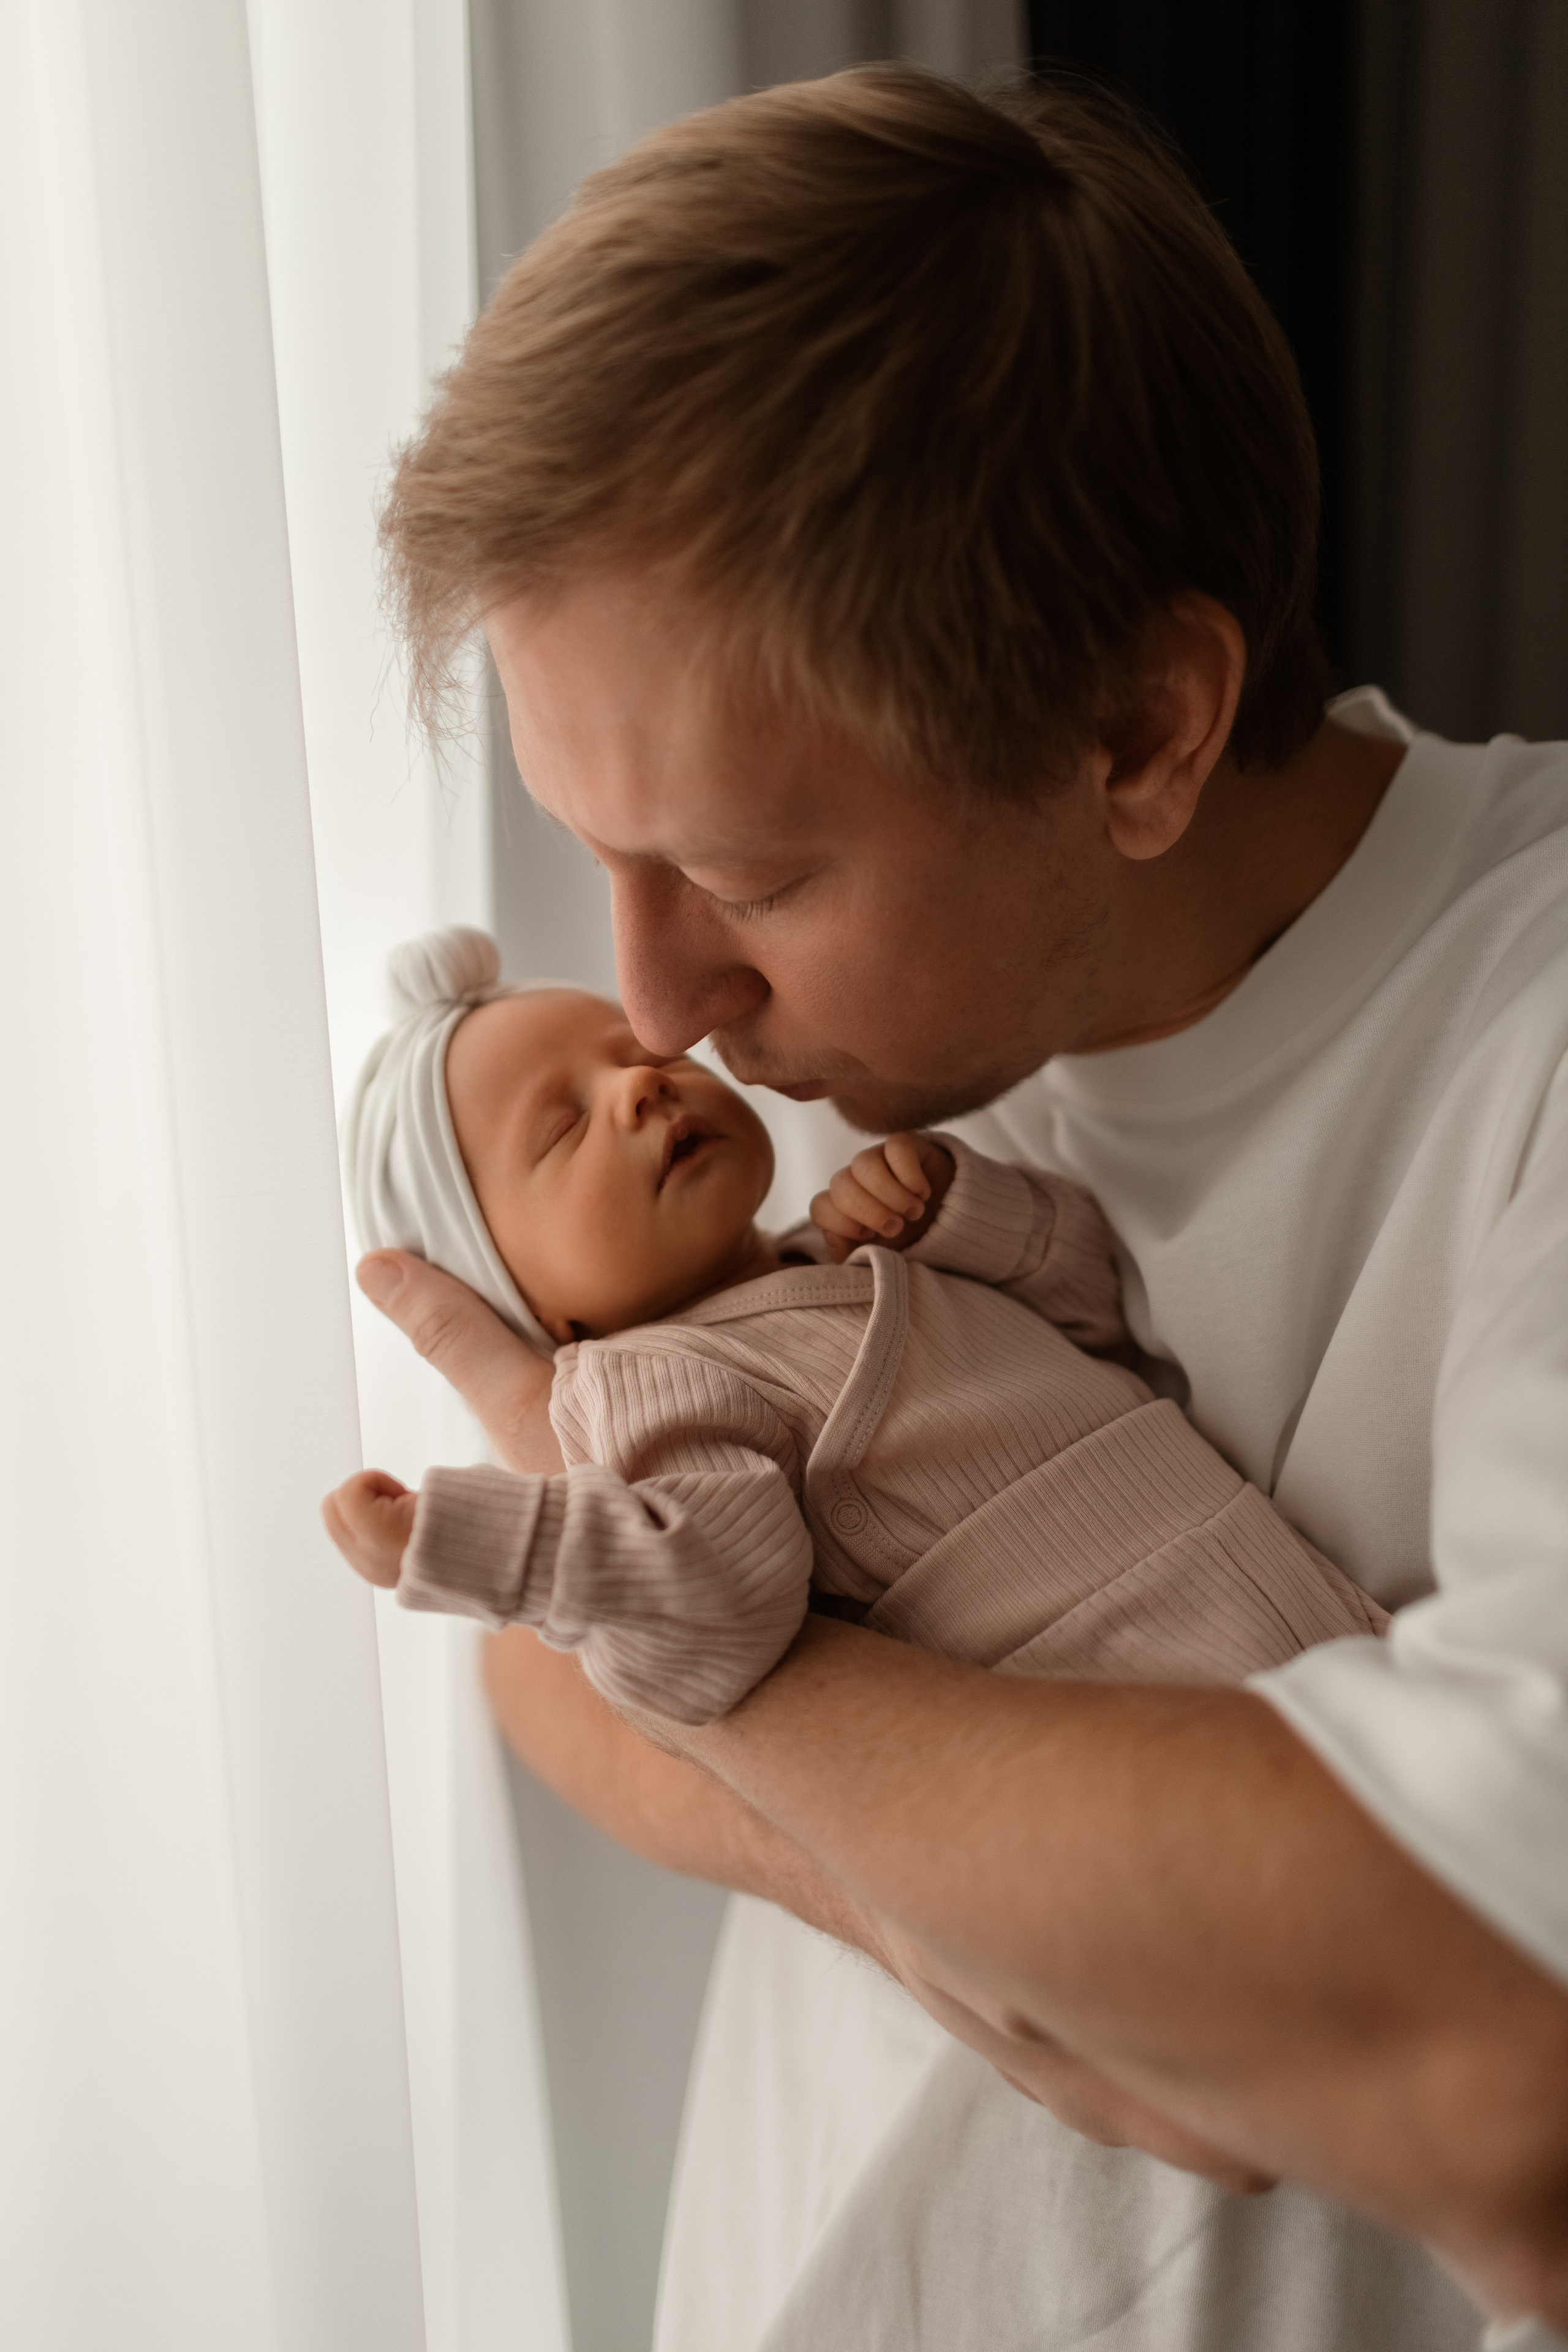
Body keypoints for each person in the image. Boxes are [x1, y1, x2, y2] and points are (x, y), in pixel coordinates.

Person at [363, 62, 1568, 2352]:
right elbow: (530, 1650)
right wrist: (937, 1879)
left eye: (738, 874)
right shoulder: (829, 1043)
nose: (658, 1001)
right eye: (598, 862)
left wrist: (754, 1700)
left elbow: (1509, 2055)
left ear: (1138, 735)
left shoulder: (1534, 1044)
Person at [323, 929, 1383, 1718]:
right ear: (530, 1306)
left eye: (639, 1054)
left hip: (1296, 1612)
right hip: (1137, 1712)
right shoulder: (646, 1382)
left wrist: (964, 1216)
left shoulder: (848, 1250)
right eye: (561, 1131)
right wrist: (472, 1542)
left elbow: (1103, 1319)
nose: (642, 1085)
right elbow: (710, 1602)